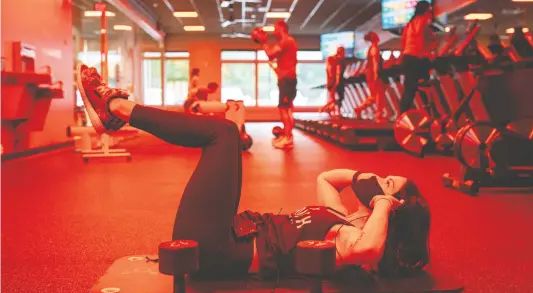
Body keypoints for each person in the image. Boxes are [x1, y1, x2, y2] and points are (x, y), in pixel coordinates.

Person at [76, 64, 431, 280]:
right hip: (227, 232)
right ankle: (116, 112)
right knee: (226, 132)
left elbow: (369, 250)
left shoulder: (349, 242)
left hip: (216, 249)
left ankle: (116, 108)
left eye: (388, 184)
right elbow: (326, 178)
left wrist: (383, 202)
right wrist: (363, 180)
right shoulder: (344, 219)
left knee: (224, 133)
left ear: (393, 207)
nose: (380, 181)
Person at [253, 21, 298, 149]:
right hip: (287, 79)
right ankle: (287, 136)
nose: (274, 32)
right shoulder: (286, 42)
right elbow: (273, 59)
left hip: (287, 80)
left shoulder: (287, 41)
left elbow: (270, 54)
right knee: (287, 108)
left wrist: (263, 42)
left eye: (275, 29)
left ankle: (288, 138)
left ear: (282, 29)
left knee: (283, 108)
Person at [399, 0, 438, 114]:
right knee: (424, 87)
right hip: (417, 59)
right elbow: (427, 42)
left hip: (408, 58)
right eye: (430, 10)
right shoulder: (424, 22)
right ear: (426, 10)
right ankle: (428, 114)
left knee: (409, 91)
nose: (431, 12)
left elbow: (404, 42)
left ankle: (402, 115)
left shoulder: (409, 24)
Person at [354, 32, 387, 122]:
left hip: (370, 74)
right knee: (379, 95)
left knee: (373, 96)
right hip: (374, 74)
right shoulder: (374, 48)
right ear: (374, 38)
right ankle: (379, 114)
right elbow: (375, 62)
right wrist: (376, 74)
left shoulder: (371, 48)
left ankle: (359, 109)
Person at [319, 47, 346, 118]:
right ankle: (327, 109)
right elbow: (338, 72)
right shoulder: (338, 60)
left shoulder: (330, 59)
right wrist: (336, 82)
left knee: (333, 98)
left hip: (331, 81)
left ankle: (331, 110)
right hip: (336, 81)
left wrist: (329, 82)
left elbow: (328, 71)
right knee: (338, 98)